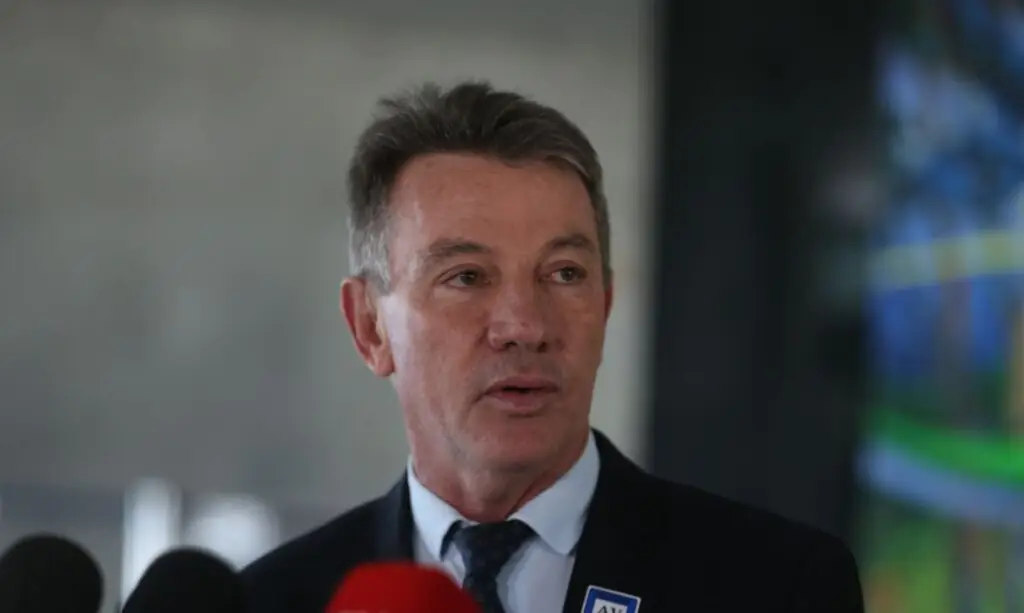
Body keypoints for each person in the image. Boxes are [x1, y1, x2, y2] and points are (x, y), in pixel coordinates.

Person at [240, 80, 864, 613]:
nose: (525, 326)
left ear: (606, 304)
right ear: (370, 328)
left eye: (564, 273)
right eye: (467, 277)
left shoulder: (778, 586)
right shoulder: (273, 602)